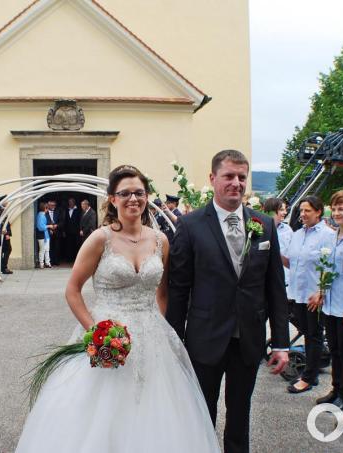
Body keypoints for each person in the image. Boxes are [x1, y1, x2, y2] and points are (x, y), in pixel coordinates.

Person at [16, 165, 221, 452]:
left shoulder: (160, 240)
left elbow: (163, 293)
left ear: (147, 197)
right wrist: (96, 333)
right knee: (101, 414)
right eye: (125, 193)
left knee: (155, 411)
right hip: (106, 335)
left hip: (152, 339)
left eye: (139, 192)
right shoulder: (100, 239)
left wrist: (157, 328)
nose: (133, 199)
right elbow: (72, 290)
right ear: (113, 199)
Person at [166, 150, 289, 453]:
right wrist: (173, 340)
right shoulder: (191, 225)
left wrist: (282, 343)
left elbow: (275, 288)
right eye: (229, 176)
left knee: (240, 415)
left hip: (247, 338)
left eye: (242, 177)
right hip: (205, 337)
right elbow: (179, 289)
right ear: (213, 179)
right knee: (202, 412)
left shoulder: (264, 225)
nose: (236, 183)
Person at [310, 189, 343, 411]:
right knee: (335, 349)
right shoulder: (333, 235)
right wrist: (321, 291)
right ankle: (336, 388)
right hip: (330, 304)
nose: (337, 212)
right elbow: (327, 268)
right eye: (335, 208)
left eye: (342, 209)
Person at [285, 195, 336, 394]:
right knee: (307, 333)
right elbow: (290, 261)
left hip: (314, 295)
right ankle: (310, 370)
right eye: (301, 211)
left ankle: (309, 377)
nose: (303, 214)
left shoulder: (327, 235)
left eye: (307, 210)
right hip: (298, 293)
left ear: (318, 212)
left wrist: (322, 291)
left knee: (314, 335)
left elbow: (331, 264)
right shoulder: (297, 234)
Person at [64, 197, 81, 262]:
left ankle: (76, 259)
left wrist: (79, 230)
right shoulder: (67, 210)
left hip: (76, 231)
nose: (70, 203)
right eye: (69, 202)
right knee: (69, 245)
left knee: (76, 245)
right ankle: (69, 259)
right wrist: (64, 231)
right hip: (68, 231)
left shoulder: (78, 210)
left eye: (71, 202)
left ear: (74, 203)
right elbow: (66, 221)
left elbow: (80, 221)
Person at [46, 200, 63, 265]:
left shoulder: (58, 212)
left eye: (54, 205)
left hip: (57, 232)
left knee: (57, 247)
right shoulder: (45, 212)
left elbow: (62, 222)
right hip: (48, 232)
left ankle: (56, 261)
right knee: (49, 247)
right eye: (52, 205)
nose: (54, 206)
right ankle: (51, 261)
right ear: (48, 205)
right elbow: (44, 223)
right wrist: (49, 228)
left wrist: (57, 225)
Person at [35, 201, 51, 268]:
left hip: (45, 235)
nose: (48, 210)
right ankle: (41, 263)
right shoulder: (40, 215)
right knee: (42, 249)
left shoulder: (41, 215)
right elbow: (40, 227)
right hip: (42, 235)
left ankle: (47, 262)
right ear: (45, 208)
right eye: (47, 208)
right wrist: (49, 226)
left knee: (47, 249)